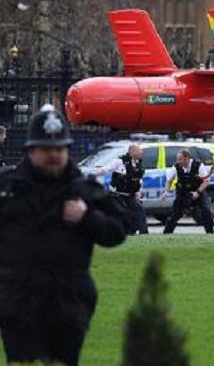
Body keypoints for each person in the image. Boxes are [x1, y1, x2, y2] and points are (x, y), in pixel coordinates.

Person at [0, 105, 126, 366]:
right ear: (31, 151)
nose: (54, 155)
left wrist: (88, 218)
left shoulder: (84, 189)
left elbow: (118, 230)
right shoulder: (7, 188)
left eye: (60, 149)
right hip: (18, 302)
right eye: (46, 150)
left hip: (67, 304)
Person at [95, 143, 149, 235]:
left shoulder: (137, 164)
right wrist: (94, 176)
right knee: (122, 216)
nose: (141, 152)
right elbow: (104, 169)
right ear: (132, 152)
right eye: (139, 150)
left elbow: (137, 180)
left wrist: (138, 192)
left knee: (139, 212)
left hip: (130, 195)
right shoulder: (119, 162)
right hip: (117, 196)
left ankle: (143, 234)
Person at [161, 149, 214, 234]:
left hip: (197, 192)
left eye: (180, 159)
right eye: (177, 159)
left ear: (187, 158)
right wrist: (166, 191)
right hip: (182, 193)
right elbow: (169, 181)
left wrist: (198, 192)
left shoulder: (198, 165)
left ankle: (210, 234)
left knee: (206, 210)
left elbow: (206, 181)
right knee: (174, 215)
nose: (178, 161)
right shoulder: (176, 167)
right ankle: (166, 234)